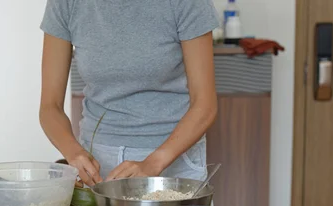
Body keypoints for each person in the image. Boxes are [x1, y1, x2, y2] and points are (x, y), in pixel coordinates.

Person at [39, 0, 219, 187]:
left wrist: (153, 163)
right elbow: (50, 107)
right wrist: (73, 152)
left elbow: (205, 106)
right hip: (97, 161)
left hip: (172, 157)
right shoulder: (66, 3)